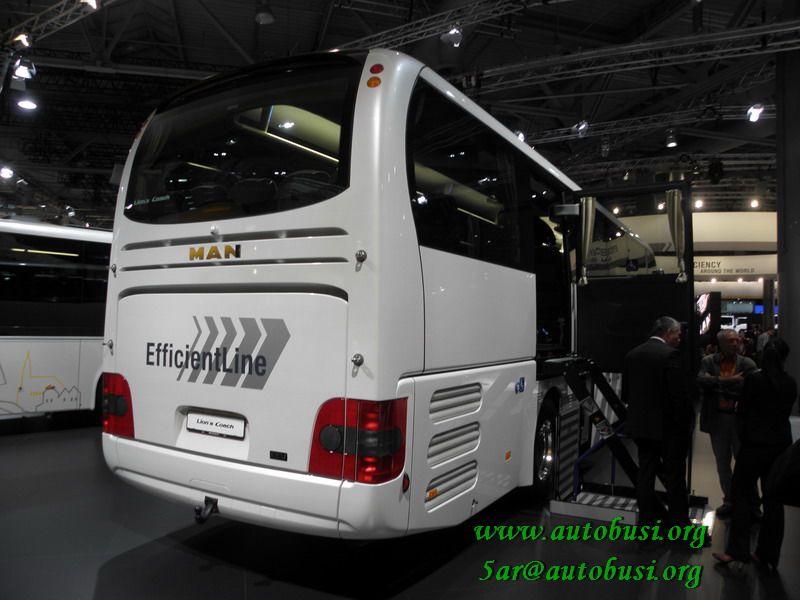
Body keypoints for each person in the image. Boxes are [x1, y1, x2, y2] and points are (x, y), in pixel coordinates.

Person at [713, 339, 798, 570]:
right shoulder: (790, 383)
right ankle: (767, 555)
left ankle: (737, 551)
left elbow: (743, 412)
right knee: (774, 500)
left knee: (741, 495)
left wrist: (744, 434)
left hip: (752, 446)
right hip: (779, 447)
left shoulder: (754, 380)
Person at [623, 316, 693, 526]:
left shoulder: (632, 354)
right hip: (668, 429)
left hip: (642, 428)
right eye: (678, 334)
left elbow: (627, 393)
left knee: (645, 475)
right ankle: (679, 525)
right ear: (668, 333)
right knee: (675, 478)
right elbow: (678, 396)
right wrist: (686, 424)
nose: (679, 339)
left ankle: (646, 521)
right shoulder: (671, 355)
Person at [697, 328, 757, 518]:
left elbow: (750, 387)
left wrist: (717, 384)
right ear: (721, 343)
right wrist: (731, 380)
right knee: (722, 463)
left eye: (737, 340)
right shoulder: (709, 361)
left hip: (740, 420)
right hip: (718, 419)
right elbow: (701, 381)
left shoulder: (747, 363)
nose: (735, 344)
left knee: (745, 463)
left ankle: (752, 503)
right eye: (731, 341)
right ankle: (730, 500)